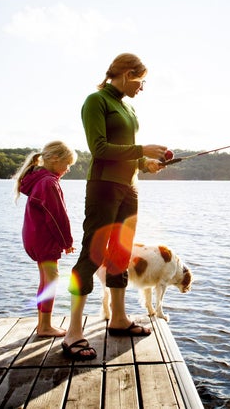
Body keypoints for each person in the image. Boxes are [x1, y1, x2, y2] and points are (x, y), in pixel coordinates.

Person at [62, 53, 168, 360]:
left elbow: (126, 154)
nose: (143, 87)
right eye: (141, 80)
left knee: (121, 253)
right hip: (104, 187)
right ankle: (73, 333)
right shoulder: (96, 101)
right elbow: (99, 149)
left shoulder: (128, 106)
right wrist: (142, 148)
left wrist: (144, 163)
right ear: (125, 73)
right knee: (93, 253)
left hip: (129, 189)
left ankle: (119, 319)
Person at [13, 140, 77, 337]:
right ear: (55, 159)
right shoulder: (48, 182)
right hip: (44, 238)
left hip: (34, 236)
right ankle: (45, 327)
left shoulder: (39, 179)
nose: (68, 169)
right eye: (67, 164)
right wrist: (67, 242)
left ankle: (43, 324)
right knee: (51, 280)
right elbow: (57, 216)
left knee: (46, 279)